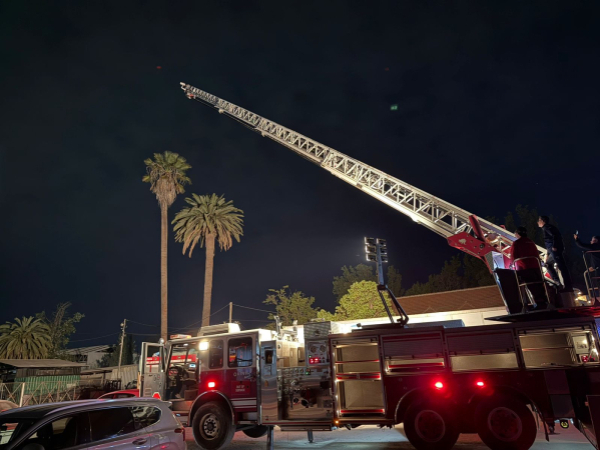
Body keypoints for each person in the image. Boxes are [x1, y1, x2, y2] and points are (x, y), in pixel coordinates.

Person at [510, 226, 549, 308]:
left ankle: (538, 304)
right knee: (539, 285)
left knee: (531, 286)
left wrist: (513, 266)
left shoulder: (516, 243)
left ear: (518, 233)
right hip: (536, 267)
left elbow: (513, 256)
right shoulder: (531, 242)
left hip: (525, 268)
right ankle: (544, 301)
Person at [538, 215, 573, 291]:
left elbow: (556, 236)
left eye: (539, 220)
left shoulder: (547, 227)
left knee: (562, 267)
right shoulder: (547, 228)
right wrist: (548, 253)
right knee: (548, 264)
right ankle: (558, 283)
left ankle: (567, 286)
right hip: (552, 250)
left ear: (543, 221)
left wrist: (554, 246)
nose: (537, 222)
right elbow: (550, 240)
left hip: (554, 250)